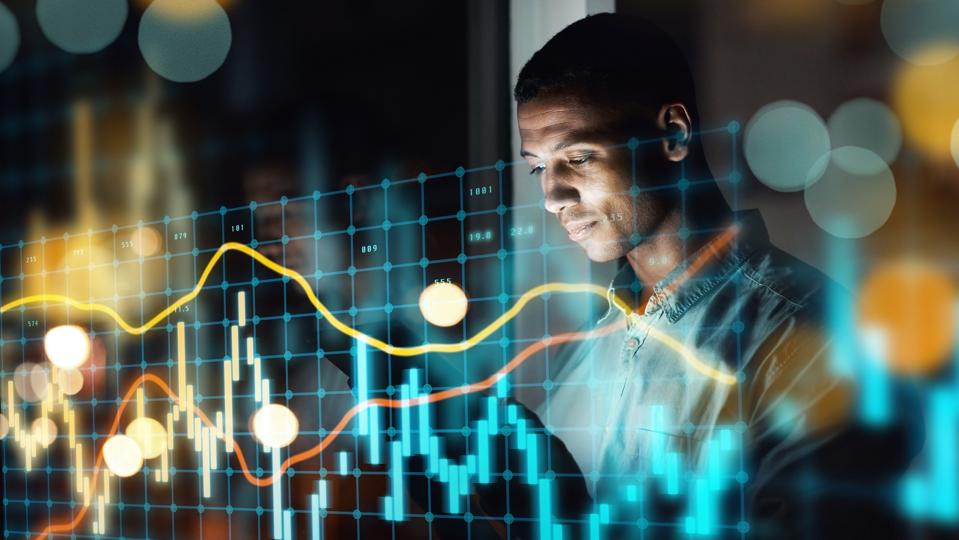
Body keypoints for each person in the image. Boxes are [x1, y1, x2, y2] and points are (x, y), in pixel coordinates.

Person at [505, 13, 920, 539]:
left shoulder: (815, 345)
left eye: (579, 157)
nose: (553, 198)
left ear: (673, 135)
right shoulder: (592, 342)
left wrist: (564, 517)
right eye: (540, 167)